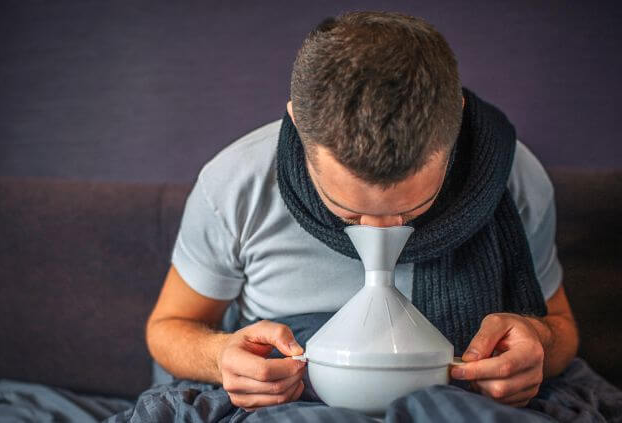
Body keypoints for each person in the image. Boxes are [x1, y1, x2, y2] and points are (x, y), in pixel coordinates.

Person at [146, 11, 578, 415]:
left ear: (456, 124)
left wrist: (537, 341)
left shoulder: (512, 178)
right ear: (299, 125)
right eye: (349, 210)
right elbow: (169, 327)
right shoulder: (236, 181)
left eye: (412, 207)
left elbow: (561, 330)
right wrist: (221, 356)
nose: (381, 231)